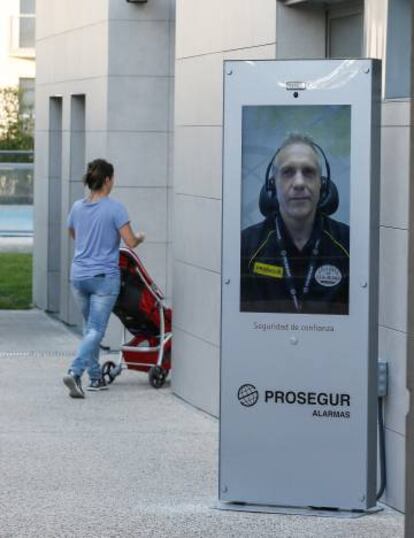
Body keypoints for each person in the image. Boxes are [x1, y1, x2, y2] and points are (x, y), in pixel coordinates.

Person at [240, 134, 349, 315]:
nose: (299, 183)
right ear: (272, 185)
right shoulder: (245, 246)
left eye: (308, 172)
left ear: (322, 185)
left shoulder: (349, 244)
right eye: (288, 172)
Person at [63, 158, 145, 398]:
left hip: (78, 275)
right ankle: (75, 371)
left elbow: (72, 232)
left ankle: (96, 378)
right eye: (113, 178)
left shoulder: (78, 207)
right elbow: (130, 242)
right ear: (108, 180)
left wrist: (88, 241)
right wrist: (140, 236)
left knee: (90, 329)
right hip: (103, 278)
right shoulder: (115, 208)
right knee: (96, 330)